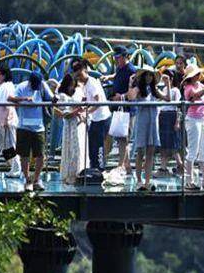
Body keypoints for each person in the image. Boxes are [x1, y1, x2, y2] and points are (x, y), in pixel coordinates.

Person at [127, 67, 171, 190]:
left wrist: (168, 83)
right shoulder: (138, 89)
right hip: (142, 122)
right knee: (140, 151)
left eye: (151, 75)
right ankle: (139, 180)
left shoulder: (154, 90)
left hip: (153, 123)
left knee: (150, 152)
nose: (149, 77)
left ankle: (147, 181)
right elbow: (130, 97)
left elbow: (168, 99)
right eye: (146, 75)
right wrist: (130, 83)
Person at [10, 71, 53, 191]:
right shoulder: (22, 87)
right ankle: (27, 179)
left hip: (39, 126)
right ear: (30, 82)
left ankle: (37, 179)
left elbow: (51, 98)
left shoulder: (42, 86)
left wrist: (55, 98)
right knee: (24, 155)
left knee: (40, 154)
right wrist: (25, 99)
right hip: (24, 126)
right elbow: (11, 98)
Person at [182, 64, 204, 190]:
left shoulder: (200, 85)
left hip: (202, 119)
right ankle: (189, 180)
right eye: (196, 74)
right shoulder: (188, 88)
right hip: (193, 119)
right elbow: (195, 96)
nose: (198, 76)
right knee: (193, 150)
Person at [73, 59, 112, 172]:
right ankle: (93, 169)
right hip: (94, 119)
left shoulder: (92, 83)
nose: (79, 77)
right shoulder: (83, 85)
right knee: (92, 147)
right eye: (77, 75)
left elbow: (98, 102)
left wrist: (87, 112)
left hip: (102, 118)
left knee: (99, 147)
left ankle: (100, 170)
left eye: (80, 74)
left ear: (85, 70)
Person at [55, 72, 88, 184]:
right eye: (70, 85)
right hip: (69, 126)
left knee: (76, 149)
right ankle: (70, 174)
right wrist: (77, 110)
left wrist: (79, 110)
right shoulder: (62, 96)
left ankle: (77, 172)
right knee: (70, 149)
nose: (71, 88)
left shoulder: (74, 93)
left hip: (76, 125)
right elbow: (65, 114)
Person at [108, 46, 136, 174]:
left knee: (124, 138)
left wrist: (121, 97)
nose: (116, 60)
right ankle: (127, 166)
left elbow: (134, 91)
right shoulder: (119, 68)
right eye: (115, 58)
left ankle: (121, 165)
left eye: (118, 58)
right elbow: (118, 77)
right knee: (120, 138)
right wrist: (109, 77)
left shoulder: (131, 70)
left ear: (125, 57)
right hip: (119, 108)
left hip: (128, 109)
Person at [157, 68, 182, 177]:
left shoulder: (175, 90)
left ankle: (178, 165)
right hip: (163, 116)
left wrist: (177, 121)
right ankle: (171, 166)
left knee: (172, 143)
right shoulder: (163, 90)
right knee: (166, 143)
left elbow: (177, 106)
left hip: (171, 116)